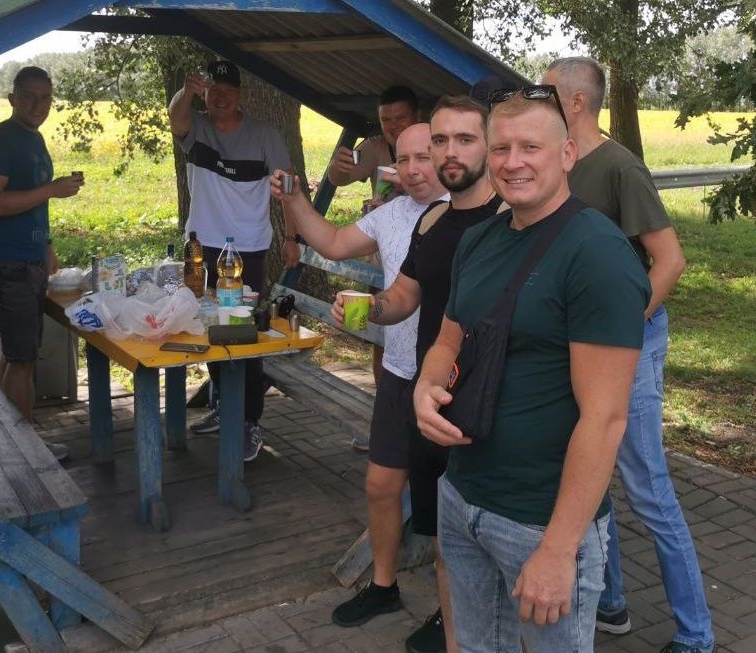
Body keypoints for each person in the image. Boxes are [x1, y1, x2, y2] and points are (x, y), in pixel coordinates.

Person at [413, 88, 651, 652]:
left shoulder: (597, 253)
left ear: (567, 154)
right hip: (463, 497)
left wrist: (559, 548)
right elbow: (448, 342)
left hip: (539, 521)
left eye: (530, 147)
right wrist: (424, 388)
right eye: (501, 148)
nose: (512, 162)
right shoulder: (478, 240)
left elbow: (606, 417)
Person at [543, 57, 711, 653]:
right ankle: (610, 605)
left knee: (647, 487)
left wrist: (622, 329)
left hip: (627, 340)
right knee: (588, 472)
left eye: (546, 92)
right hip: (582, 340)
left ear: (576, 102)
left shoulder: (619, 167)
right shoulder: (558, 163)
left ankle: (697, 636)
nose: (538, 99)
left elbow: (670, 261)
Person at [276, 121, 455, 653]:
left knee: (448, 509)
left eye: (424, 157)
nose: (415, 170)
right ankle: (383, 586)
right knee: (380, 486)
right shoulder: (393, 213)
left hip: (442, 382)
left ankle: (452, 612)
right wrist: (294, 199)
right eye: (404, 160)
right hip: (399, 375)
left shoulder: (464, 215)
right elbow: (331, 242)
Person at [168, 60, 298, 461]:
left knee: (244, 335)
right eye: (213, 89)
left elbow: (289, 187)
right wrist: (186, 92)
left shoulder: (264, 135)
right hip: (201, 248)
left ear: (240, 95)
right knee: (209, 331)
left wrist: (292, 238)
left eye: (228, 89)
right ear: (205, 94)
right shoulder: (198, 128)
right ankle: (225, 406)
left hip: (248, 251)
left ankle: (249, 423)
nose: (220, 95)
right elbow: (176, 117)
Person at [0, 65, 82, 458]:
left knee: (16, 356)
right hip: (9, 264)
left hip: (29, 260)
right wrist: (52, 190)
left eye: (46, 98)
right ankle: (26, 449)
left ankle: (10, 440)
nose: (39, 104)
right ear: (11, 99)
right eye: (29, 96)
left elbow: (32, 201)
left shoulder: (32, 139)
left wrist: (47, 244)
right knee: (21, 361)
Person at [325, 85, 422, 388]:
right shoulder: (376, 146)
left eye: (400, 118)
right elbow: (339, 178)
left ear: (417, 117)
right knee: (381, 338)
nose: (393, 126)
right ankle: (385, 396)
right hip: (381, 261)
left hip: (420, 260)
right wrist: (337, 168)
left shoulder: (431, 150)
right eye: (386, 119)